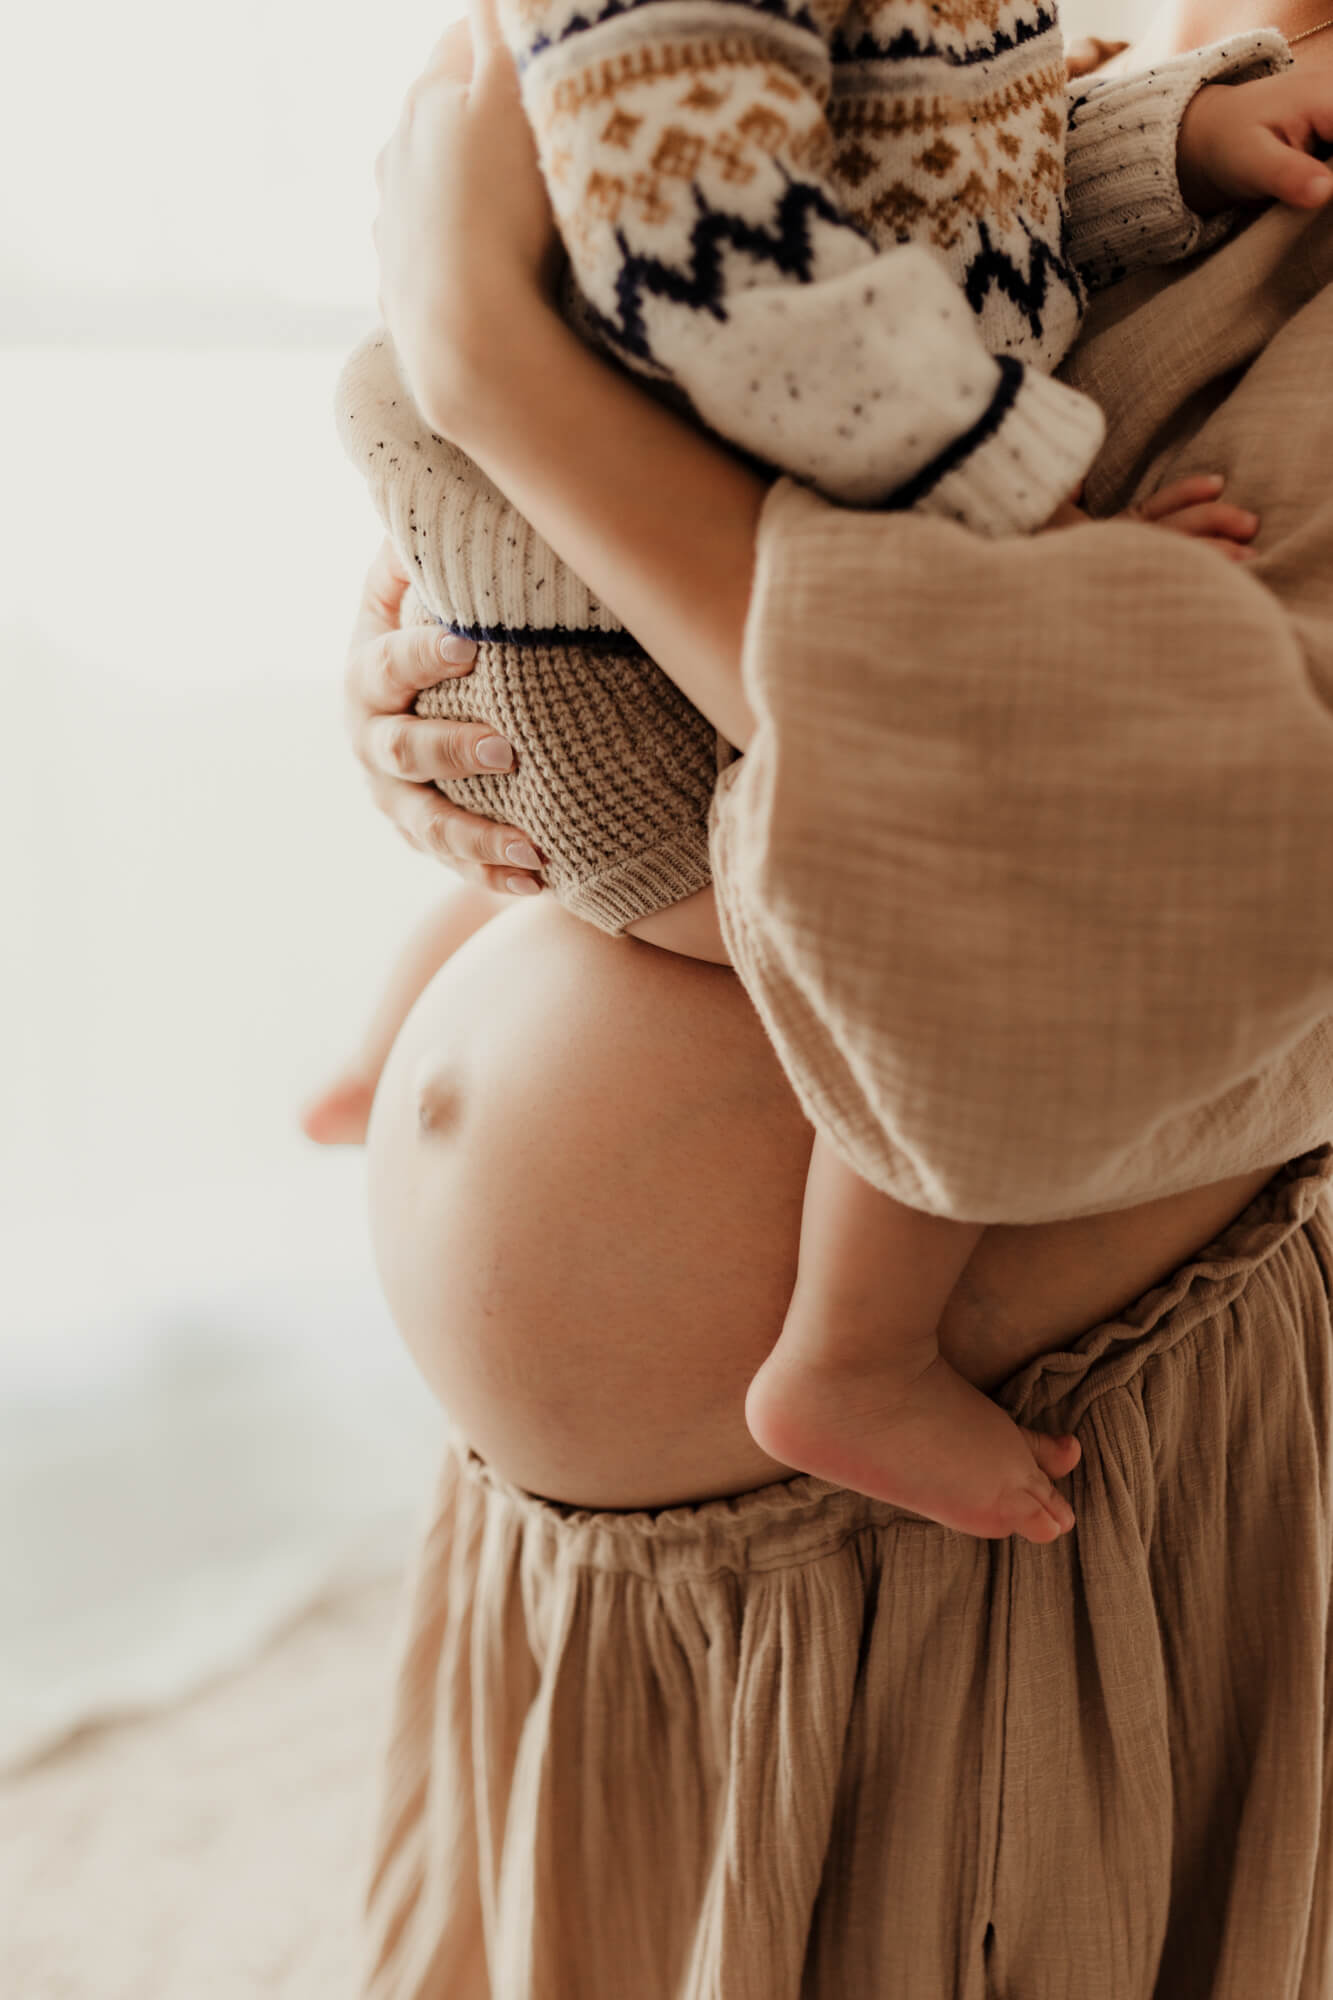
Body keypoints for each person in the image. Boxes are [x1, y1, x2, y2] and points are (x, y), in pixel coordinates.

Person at [333, 1, 1333, 1988]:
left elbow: (1104, 851)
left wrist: (498, 372)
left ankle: (850, 1341)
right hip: (574, 1583)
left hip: (947, 1575)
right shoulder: (1172, 87)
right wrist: (434, 699)